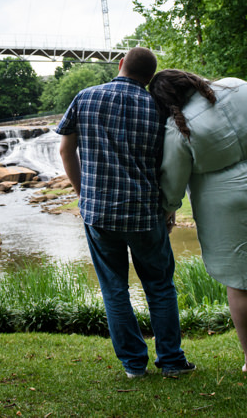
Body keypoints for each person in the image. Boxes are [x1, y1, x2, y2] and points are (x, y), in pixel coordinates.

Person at [148, 69, 247, 374]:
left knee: (241, 281)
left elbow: (173, 180)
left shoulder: (178, 126)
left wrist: (168, 209)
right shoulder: (240, 86)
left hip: (226, 205)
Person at [56, 47, 196, 380]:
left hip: (99, 213)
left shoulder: (86, 97)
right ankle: (172, 362)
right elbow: (166, 164)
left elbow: (66, 149)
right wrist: (169, 209)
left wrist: (83, 195)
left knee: (114, 289)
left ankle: (134, 365)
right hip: (146, 214)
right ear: (150, 76)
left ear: (120, 64)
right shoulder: (159, 108)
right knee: (160, 287)